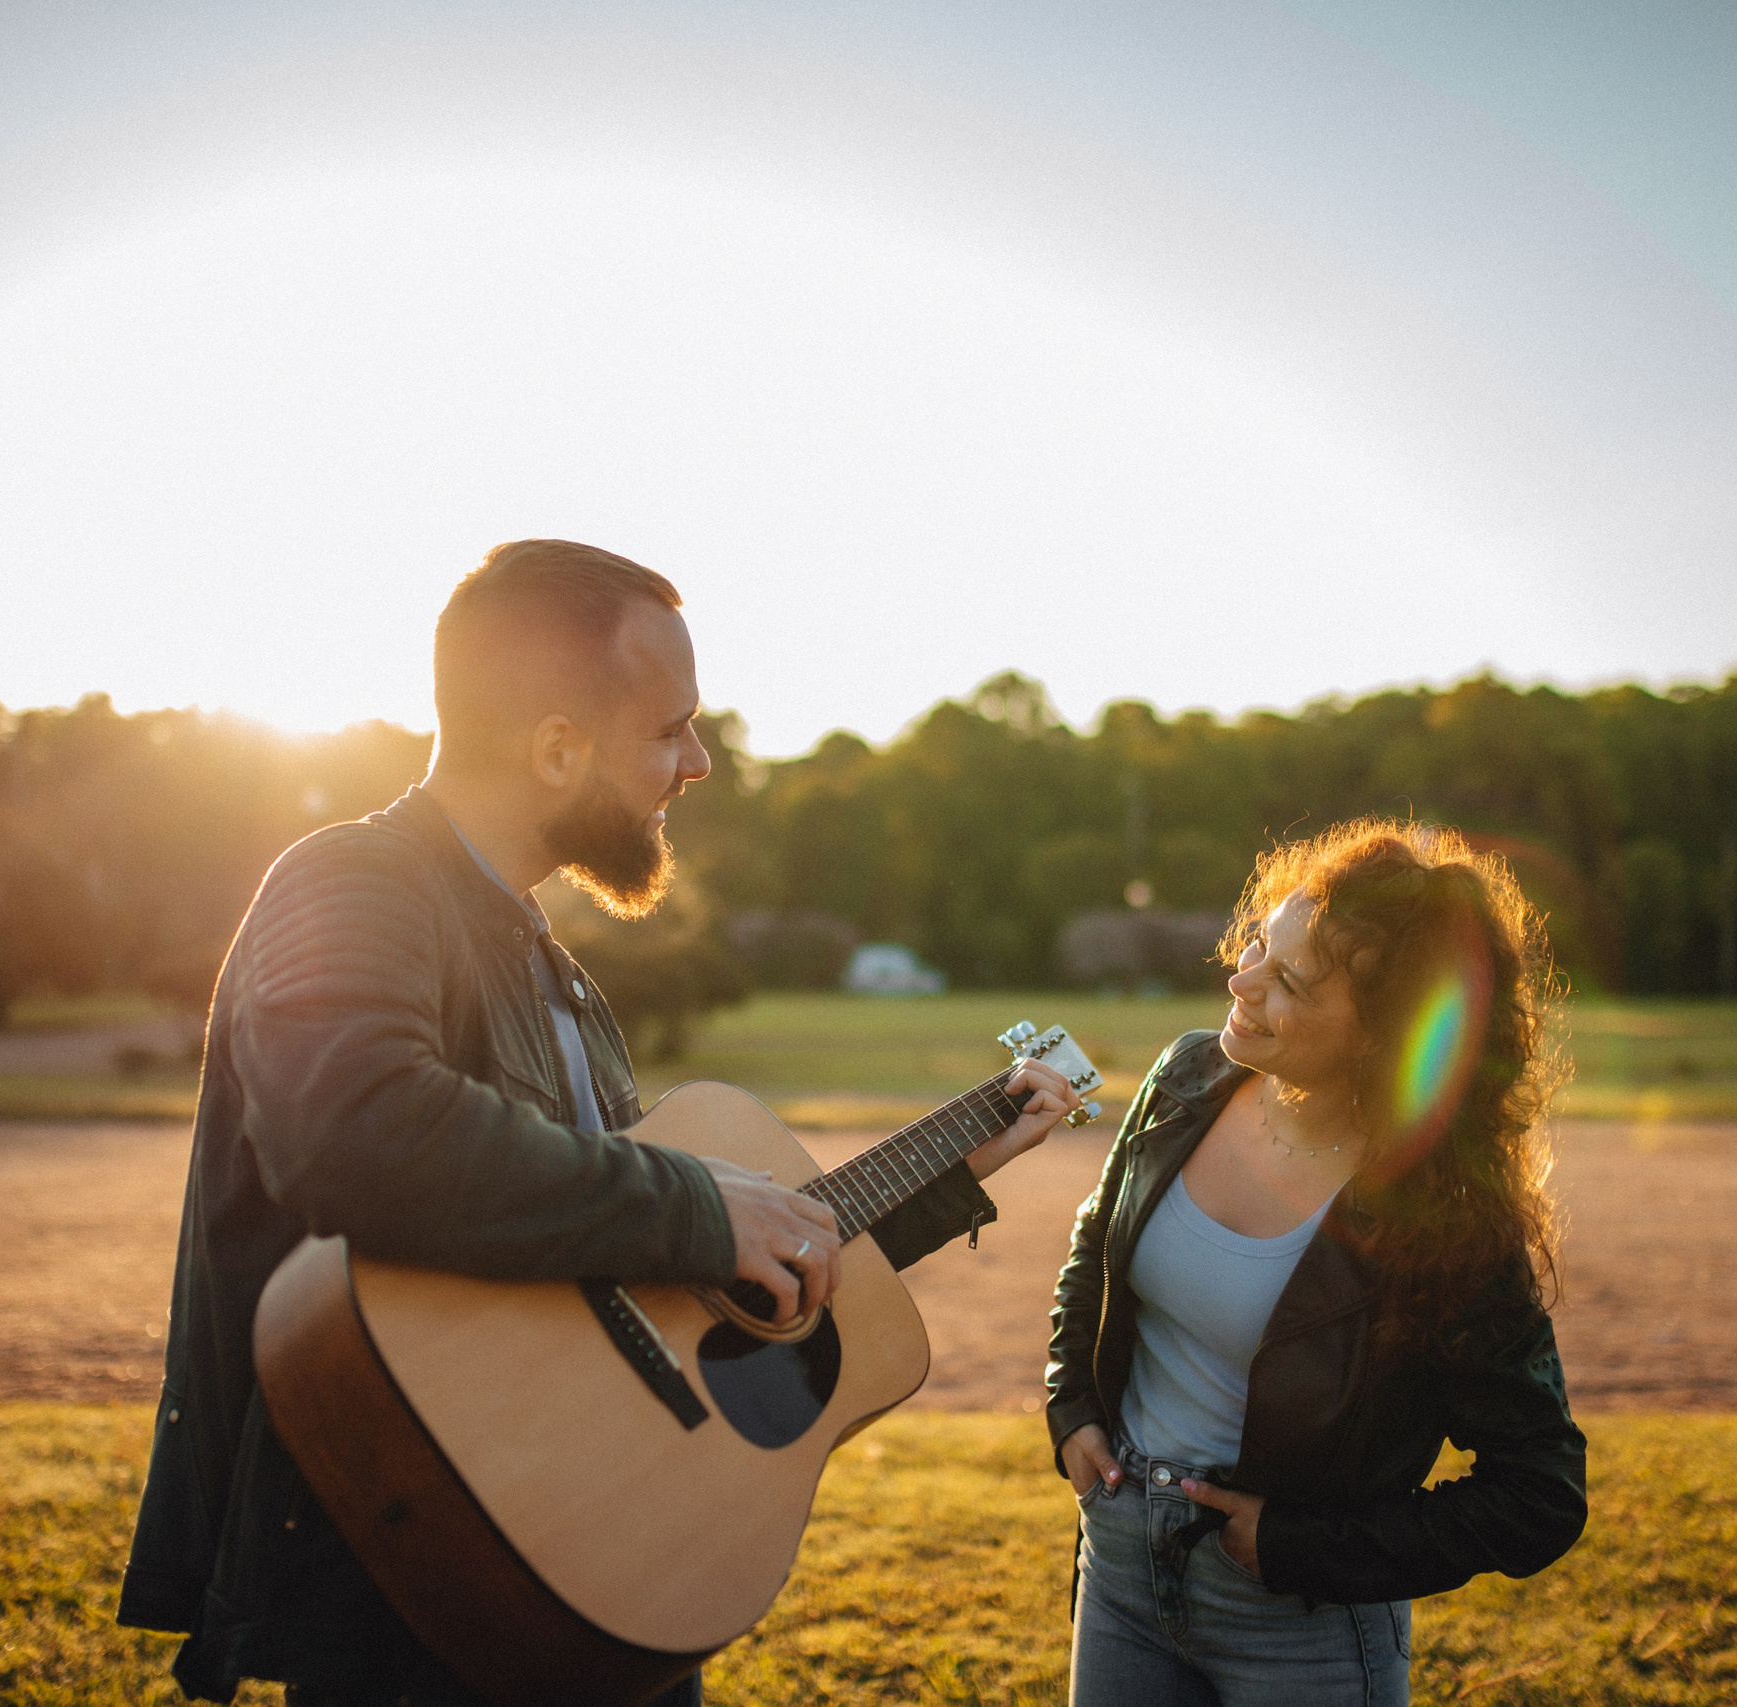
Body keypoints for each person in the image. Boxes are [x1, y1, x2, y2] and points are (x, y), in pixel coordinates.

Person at [116, 540, 1076, 1706]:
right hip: (414, 1589)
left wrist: (941, 1171)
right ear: (558, 747)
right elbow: (360, 1130)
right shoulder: (351, 881)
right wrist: (694, 1209)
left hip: (596, 1553)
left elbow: (649, 1284)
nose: (699, 761)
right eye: (670, 729)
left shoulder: (558, 977)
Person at [1046, 820, 1587, 1706]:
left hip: (1301, 1621)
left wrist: (1304, 1547)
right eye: (1260, 939)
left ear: (1380, 1037)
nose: (1240, 977)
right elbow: (1094, 1247)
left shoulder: (1444, 1215)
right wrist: (1071, 1406)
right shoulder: (1185, 1077)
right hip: (1120, 1572)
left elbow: (1540, 1491)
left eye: (1289, 979)